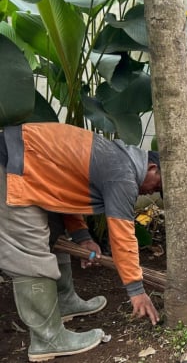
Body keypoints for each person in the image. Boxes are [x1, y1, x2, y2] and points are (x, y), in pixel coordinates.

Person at [0, 122, 162, 361]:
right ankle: (47, 340)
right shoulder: (123, 174)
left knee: (53, 233)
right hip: (12, 167)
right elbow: (122, 235)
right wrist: (136, 291)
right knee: (30, 250)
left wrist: (82, 238)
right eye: (157, 186)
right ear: (151, 168)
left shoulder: (115, 158)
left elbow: (62, 191)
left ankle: (64, 302)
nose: (151, 193)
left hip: (29, 166)